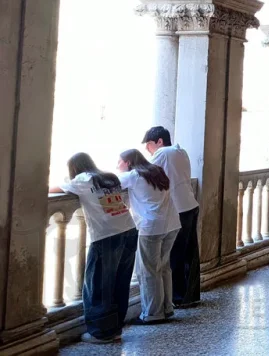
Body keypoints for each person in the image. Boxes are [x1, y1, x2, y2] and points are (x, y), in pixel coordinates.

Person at [49, 153, 137, 343]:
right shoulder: (108, 177)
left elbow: (53, 189)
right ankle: (116, 328)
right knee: (120, 282)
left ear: (74, 168)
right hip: (129, 230)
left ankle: (102, 332)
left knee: (99, 284)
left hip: (107, 235)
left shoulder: (82, 179)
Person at [117, 149, 181, 324]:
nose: (117, 165)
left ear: (128, 162)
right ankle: (167, 308)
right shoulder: (157, 171)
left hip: (151, 227)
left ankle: (152, 313)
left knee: (148, 271)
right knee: (164, 267)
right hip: (172, 224)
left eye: (119, 162)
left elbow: (109, 184)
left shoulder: (133, 176)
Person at [141, 126, 200, 308]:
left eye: (148, 144)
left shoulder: (163, 153)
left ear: (159, 141)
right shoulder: (180, 151)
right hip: (190, 204)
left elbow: (144, 174)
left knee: (175, 254)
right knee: (190, 253)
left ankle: (178, 297)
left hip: (178, 208)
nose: (147, 150)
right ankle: (191, 295)